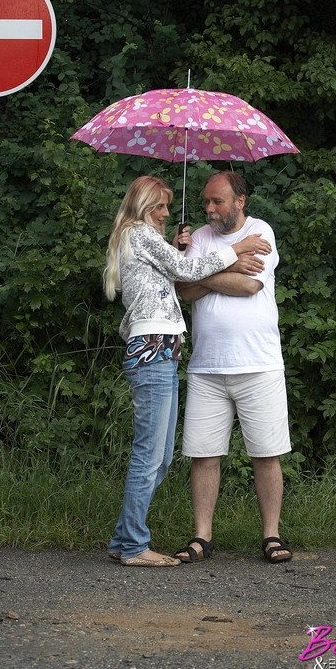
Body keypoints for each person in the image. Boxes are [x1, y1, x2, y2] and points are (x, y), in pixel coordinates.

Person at [103, 175, 271, 567]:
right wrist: (237, 249)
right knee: (149, 455)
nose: (165, 213)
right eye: (159, 206)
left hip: (163, 351)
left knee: (160, 456)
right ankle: (132, 546)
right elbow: (187, 272)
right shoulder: (138, 232)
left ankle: (123, 538)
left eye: (165, 206)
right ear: (143, 207)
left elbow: (178, 272)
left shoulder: (145, 238)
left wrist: (176, 251)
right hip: (152, 349)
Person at [174, 171, 293, 564]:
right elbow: (184, 289)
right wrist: (226, 264)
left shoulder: (261, 231)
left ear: (240, 200)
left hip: (258, 363)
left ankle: (271, 536)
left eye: (218, 202)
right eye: (206, 201)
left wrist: (203, 272)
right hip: (207, 366)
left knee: (266, 452)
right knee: (203, 454)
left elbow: (250, 285)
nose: (209, 209)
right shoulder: (198, 238)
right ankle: (202, 537)